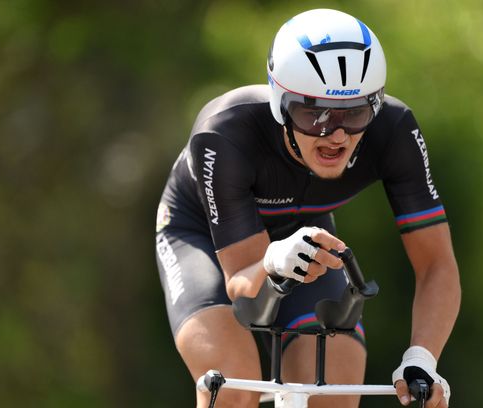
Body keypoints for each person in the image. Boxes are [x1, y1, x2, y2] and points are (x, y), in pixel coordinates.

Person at [155, 8, 460, 408]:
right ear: (281, 104)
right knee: (234, 389)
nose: (337, 135)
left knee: (330, 396)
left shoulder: (394, 130)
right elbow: (242, 287)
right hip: (203, 237)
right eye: (315, 115)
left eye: (355, 112)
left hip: (306, 235)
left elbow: (437, 264)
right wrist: (271, 260)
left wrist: (422, 358)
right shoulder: (225, 132)